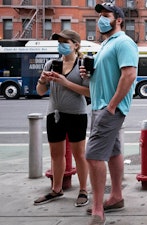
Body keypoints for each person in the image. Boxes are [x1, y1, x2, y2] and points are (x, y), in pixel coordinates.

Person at [83, 3, 138, 225]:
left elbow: (129, 75)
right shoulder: (106, 43)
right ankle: (116, 197)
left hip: (108, 107)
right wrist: (88, 72)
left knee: (93, 156)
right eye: (100, 16)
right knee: (114, 152)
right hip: (101, 105)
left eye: (106, 15)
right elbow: (107, 74)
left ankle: (98, 210)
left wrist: (112, 106)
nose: (101, 20)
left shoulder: (124, 42)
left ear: (119, 20)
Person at [34, 29, 90, 207]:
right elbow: (40, 91)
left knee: (79, 154)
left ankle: (83, 190)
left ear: (76, 45)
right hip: (54, 114)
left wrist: (65, 82)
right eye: (59, 42)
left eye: (65, 42)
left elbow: (89, 92)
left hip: (77, 114)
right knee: (56, 154)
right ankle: (56, 189)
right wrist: (43, 80)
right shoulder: (51, 64)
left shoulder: (82, 66)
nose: (61, 45)